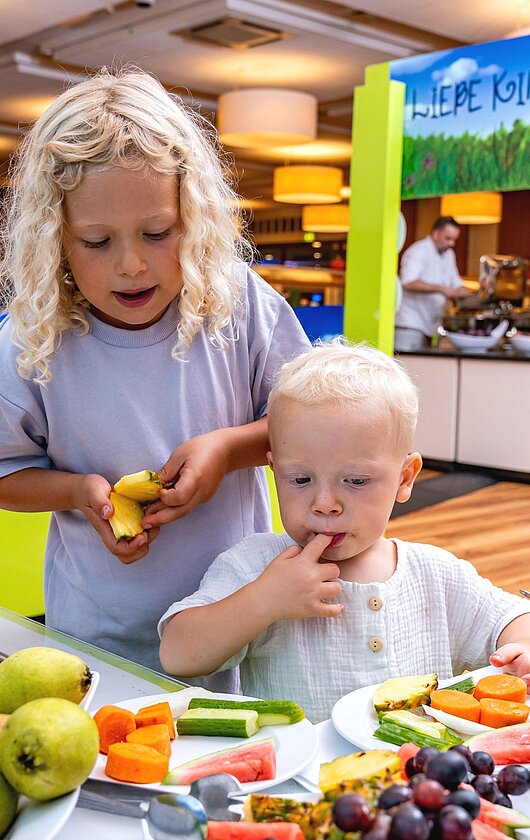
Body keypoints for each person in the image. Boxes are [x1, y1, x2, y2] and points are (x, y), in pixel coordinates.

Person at [0, 69, 310, 683]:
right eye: (95, 241)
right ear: (53, 238)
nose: (130, 264)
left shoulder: (237, 301)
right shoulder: (30, 337)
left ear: (193, 218)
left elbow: (312, 426)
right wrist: (75, 493)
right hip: (97, 640)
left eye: (157, 233)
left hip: (243, 622)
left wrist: (227, 448)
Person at [159, 341, 530, 722]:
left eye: (355, 480)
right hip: (301, 780)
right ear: (275, 470)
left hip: (418, 776)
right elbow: (178, 654)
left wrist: (521, 646)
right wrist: (263, 600)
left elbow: (511, 618)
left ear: (405, 478)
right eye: (300, 479)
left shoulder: (436, 574)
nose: (325, 502)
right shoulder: (256, 565)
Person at [394, 216, 471, 351]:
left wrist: (476, 293)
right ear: (436, 233)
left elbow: (456, 284)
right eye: (448, 238)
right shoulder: (418, 251)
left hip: (432, 327)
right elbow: (408, 282)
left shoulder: (449, 254)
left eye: (454, 239)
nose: (452, 243)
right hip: (410, 324)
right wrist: (441, 289)